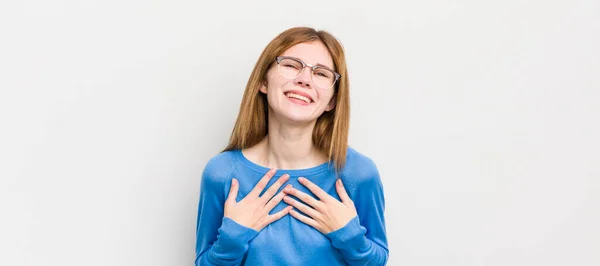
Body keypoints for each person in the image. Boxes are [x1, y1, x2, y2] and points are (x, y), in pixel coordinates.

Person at [194, 27, 389, 266]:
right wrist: (232, 239)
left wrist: (350, 237)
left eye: (321, 73)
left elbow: (377, 261)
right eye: (291, 65)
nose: (304, 79)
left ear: (332, 101)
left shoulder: (358, 173)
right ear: (263, 82)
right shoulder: (222, 173)